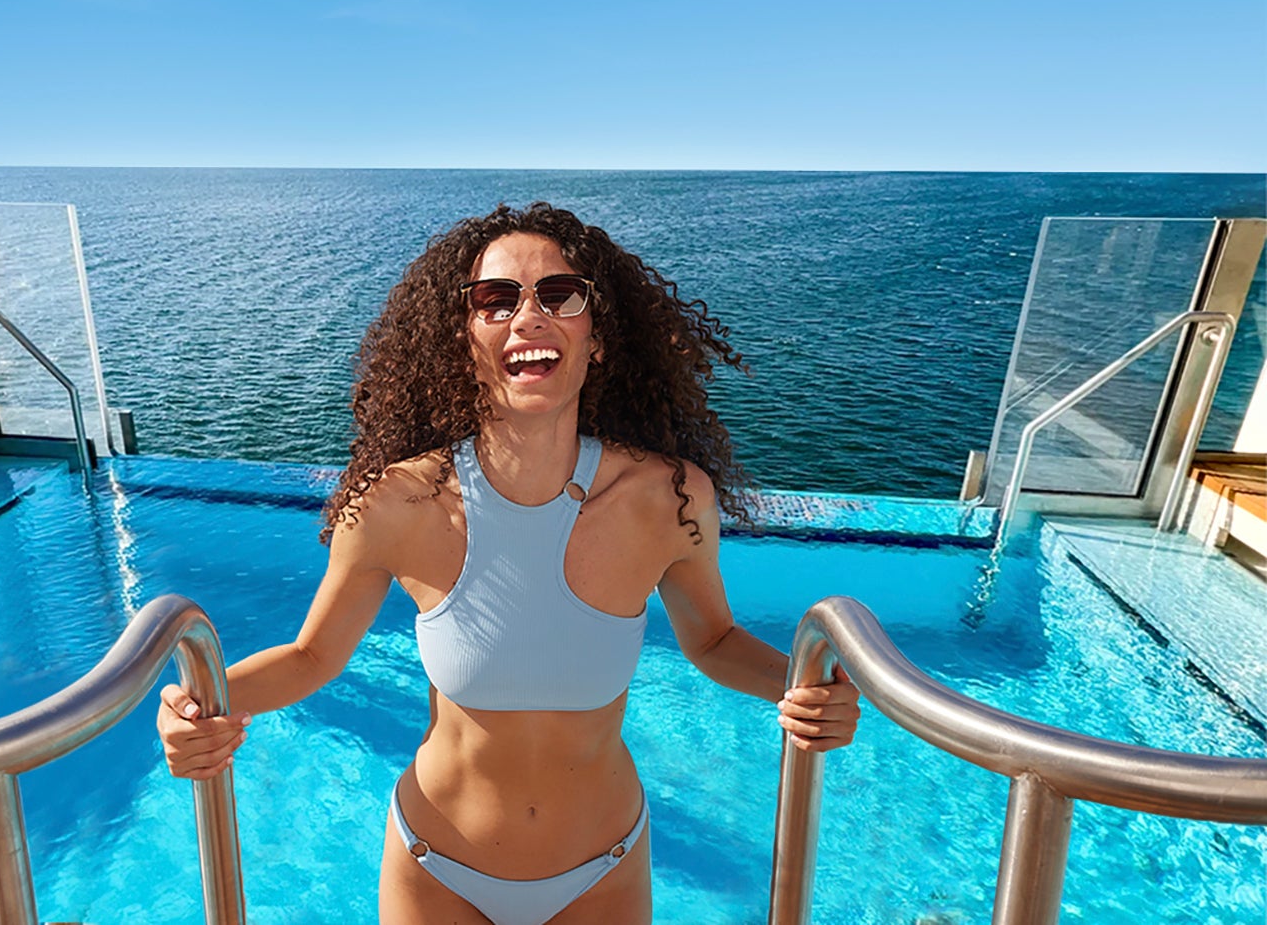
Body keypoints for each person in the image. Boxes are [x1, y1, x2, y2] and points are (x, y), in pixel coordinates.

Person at [157, 202, 861, 925]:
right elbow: (310, 656)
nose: (528, 316)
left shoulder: (668, 499)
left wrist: (803, 686)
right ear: (465, 340)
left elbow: (712, 640)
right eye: (495, 300)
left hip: (604, 872)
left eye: (560, 295)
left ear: (598, 339)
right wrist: (202, 701)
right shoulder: (398, 503)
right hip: (437, 871)